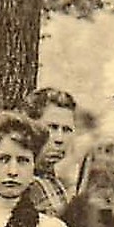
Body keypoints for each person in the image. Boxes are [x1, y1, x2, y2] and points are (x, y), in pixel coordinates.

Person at [20, 86, 79, 217]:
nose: (60, 139)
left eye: (67, 130)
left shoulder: (54, 182)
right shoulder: (19, 184)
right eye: (52, 127)